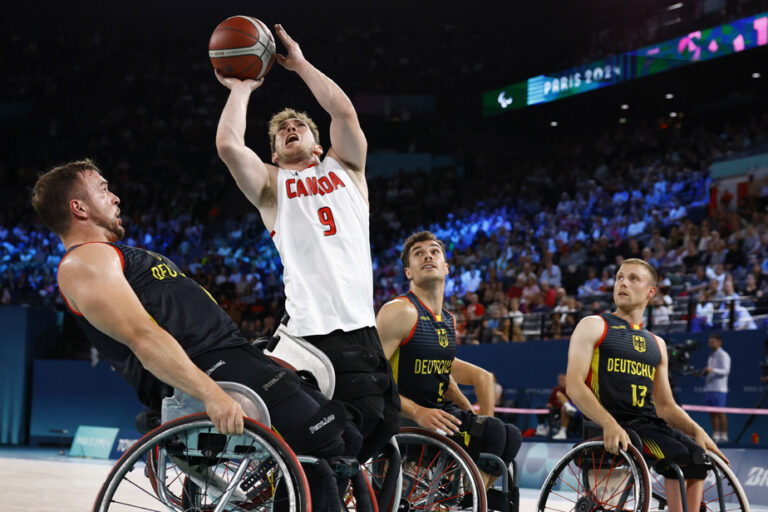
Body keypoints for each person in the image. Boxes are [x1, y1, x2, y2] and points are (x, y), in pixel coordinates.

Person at [31, 160, 362, 511]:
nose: (115, 198)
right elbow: (143, 337)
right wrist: (211, 393)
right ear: (78, 207)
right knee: (325, 438)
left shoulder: (120, 255)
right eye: (103, 189)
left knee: (348, 435)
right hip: (211, 368)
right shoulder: (84, 262)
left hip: (236, 357)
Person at [214, 24, 399, 463]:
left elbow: (345, 113)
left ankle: (294, 480)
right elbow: (227, 144)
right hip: (318, 331)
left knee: (385, 427)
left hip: (362, 326)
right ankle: (296, 489)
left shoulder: (348, 170)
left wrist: (298, 64)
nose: (290, 128)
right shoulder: (272, 186)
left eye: (299, 125)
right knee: (341, 440)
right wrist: (242, 88)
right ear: (275, 154)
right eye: (281, 132)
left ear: (319, 145)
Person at [565, 258, 727, 512]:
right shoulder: (595, 325)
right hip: (612, 422)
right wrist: (609, 423)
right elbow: (574, 385)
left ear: (651, 291)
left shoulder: (657, 343)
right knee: (679, 457)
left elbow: (665, 406)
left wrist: (698, 431)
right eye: (619, 277)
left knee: (699, 458)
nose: (623, 283)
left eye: (633, 278)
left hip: (649, 424)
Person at [376, 231, 522, 501]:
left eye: (434, 251)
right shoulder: (400, 311)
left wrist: (476, 417)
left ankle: (465, 499)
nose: (427, 255)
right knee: (492, 435)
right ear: (408, 272)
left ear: (446, 267)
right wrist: (417, 411)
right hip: (403, 416)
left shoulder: (447, 320)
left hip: (438, 416)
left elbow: (449, 375)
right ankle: (463, 498)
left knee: (508, 435)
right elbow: (372, 375)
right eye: (418, 253)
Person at [703, 334, 731, 443]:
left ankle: (724, 435)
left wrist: (712, 370)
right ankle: (716, 434)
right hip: (709, 388)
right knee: (712, 413)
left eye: (712, 342)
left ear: (719, 342)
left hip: (719, 389)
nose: (710, 344)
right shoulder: (711, 356)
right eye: (709, 342)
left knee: (720, 413)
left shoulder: (724, 355)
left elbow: (726, 371)